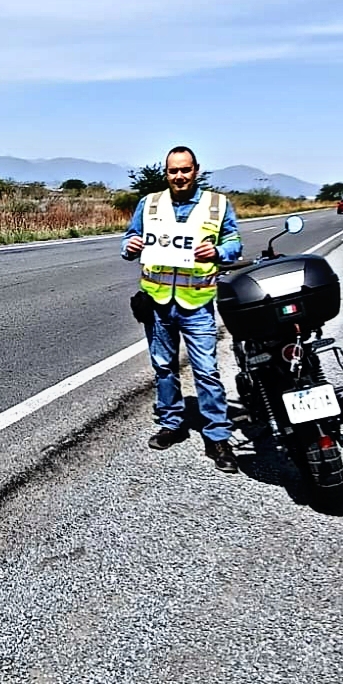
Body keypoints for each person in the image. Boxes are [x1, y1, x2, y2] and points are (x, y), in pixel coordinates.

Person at [123, 146, 242, 472]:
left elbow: (234, 243)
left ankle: (217, 437)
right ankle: (172, 424)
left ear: (196, 170)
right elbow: (130, 239)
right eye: (173, 171)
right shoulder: (149, 204)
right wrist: (129, 247)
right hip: (158, 303)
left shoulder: (217, 205)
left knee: (206, 371)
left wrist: (217, 251)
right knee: (163, 368)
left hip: (197, 305)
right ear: (166, 173)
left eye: (185, 170)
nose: (179, 176)